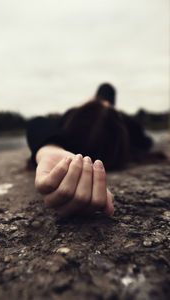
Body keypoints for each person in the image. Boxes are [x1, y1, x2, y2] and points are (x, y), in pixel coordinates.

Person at [26, 83, 153, 217]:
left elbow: (38, 122)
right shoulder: (127, 122)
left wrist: (49, 147)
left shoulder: (73, 114)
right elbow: (146, 142)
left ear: (95, 97)